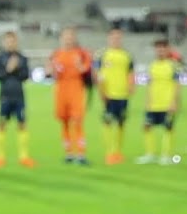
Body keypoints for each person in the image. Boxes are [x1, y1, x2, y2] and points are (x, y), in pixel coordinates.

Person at [48, 27, 91, 164]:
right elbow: (51, 73)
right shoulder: (56, 54)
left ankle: (81, 153)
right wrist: (51, 69)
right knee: (64, 122)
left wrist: (80, 67)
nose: (68, 39)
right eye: (65, 36)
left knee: (77, 121)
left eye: (71, 36)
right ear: (61, 38)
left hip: (76, 88)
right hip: (61, 89)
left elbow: (86, 70)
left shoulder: (81, 53)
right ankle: (69, 153)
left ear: (74, 38)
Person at [0, 31, 35, 168]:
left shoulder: (22, 58)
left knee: (22, 124)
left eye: (13, 41)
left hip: (19, 97)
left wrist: (16, 69)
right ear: (4, 42)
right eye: (8, 41)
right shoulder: (0, 58)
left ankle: (24, 156)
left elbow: (25, 76)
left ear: (16, 42)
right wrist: (8, 69)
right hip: (5, 96)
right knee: (1, 124)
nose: (10, 43)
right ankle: (0, 157)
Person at [137, 38, 182, 165]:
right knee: (147, 127)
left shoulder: (174, 65)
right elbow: (149, 85)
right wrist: (147, 101)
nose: (160, 51)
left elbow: (177, 85)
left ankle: (166, 155)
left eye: (163, 48)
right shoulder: (152, 65)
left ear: (167, 49)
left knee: (168, 128)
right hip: (153, 104)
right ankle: (150, 154)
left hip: (167, 103)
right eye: (158, 48)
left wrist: (174, 102)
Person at [95, 28, 134, 165]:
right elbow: (98, 75)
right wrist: (101, 91)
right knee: (108, 122)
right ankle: (109, 152)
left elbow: (130, 73)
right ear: (109, 38)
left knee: (121, 123)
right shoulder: (102, 55)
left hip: (123, 94)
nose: (116, 40)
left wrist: (131, 85)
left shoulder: (126, 55)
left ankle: (117, 151)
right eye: (113, 38)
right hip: (109, 94)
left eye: (118, 38)